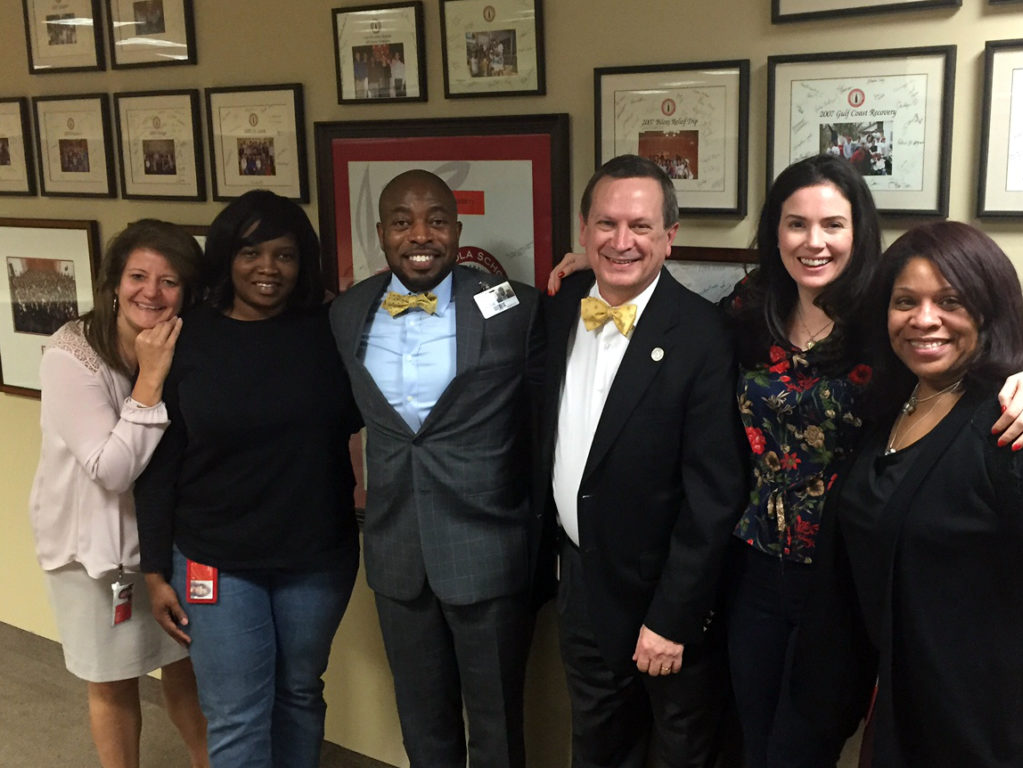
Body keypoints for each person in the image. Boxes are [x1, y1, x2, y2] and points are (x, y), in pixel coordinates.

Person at [548, 154, 1023, 768]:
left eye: (833, 224)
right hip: (749, 571)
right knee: (743, 739)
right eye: (796, 224)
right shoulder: (753, 305)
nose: (814, 241)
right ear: (776, 231)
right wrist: (603, 259)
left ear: (860, 232)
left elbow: (975, 350)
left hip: (843, 575)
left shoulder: (887, 313)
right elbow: (662, 303)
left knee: (802, 747)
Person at [789, 220, 1023, 767]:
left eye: (950, 300)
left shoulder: (1019, 423)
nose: (924, 319)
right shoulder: (893, 405)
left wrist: (994, 607)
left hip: (1001, 726)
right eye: (905, 301)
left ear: (987, 308)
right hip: (912, 706)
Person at [135, 190, 361, 768]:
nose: (267, 269)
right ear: (226, 255)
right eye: (251, 252)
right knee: (236, 712)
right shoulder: (186, 338)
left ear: (301, 263)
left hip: (316, 556)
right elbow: (159, 459)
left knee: (299, 693)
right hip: (215, 557)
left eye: (284, 255)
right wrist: (157, 567)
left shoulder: (330, 330)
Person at [537, 154, 747, 768]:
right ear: (583, 230)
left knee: (679, 751)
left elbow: (713, 497)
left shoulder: (704, 336)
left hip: (664, 602)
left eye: (640, 227)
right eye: (606, 224)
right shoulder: (561, 303)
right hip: (579, 583)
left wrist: (672, 618)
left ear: (669, 237)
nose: (621, 241)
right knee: (597, 747)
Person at [329, 169, 543, 768]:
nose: (420, 235)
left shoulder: (515, 310)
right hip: (397, 552)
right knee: (422, 725)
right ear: (381, 233)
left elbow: (544, 423)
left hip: (488, 549)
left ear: (457, 228)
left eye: (436, 221)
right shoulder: (346, 315)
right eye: (402, 222)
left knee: (498, 727)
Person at [29, 219, 208, 768]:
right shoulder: (71, 355)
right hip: (93, 554)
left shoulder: (192, 342)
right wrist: (150, 380)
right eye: (138, 276)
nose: (151, 292)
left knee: (187, 668)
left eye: (169, 280)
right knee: (112, 681)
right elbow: (111, 469)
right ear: (114, 281)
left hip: (166, 544)